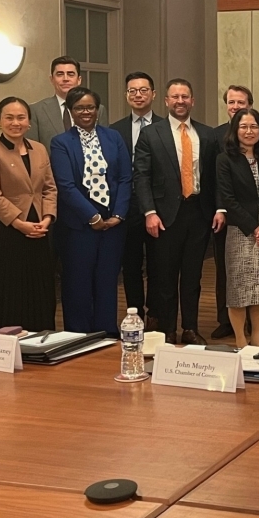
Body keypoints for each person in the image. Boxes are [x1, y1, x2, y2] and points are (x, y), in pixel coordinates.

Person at [134, 79, 224, 345]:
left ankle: (191, 328)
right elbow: (141, 176)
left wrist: (219, 208)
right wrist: (149, 212)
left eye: (185, 96)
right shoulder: (151, 134)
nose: (180, 101)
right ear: (166, 101)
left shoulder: (207, 135)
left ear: (192, 101)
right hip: (164, 216)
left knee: (193, 276)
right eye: (175, 97)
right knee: (164, 276)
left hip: (198, 213)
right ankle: (168, 329)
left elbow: (215, 178)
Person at [50, 87, 132, 335]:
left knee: (107, 280)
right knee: (78, 281)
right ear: (71, 111)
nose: (85, 112)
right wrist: (92, 216)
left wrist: (118, 214)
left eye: (90, 107)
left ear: (98, 110)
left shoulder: (113, 137)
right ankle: (79, 333)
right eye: (79, 108)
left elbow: (125, 178)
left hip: (113, 221)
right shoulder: (61, 142)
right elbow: (65, 185)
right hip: (79, 223)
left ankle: (106, 331)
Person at [0, 97, 57, 331]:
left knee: (38, 285)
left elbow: (50, 188)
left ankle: (40, 334)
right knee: (9, 287)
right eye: (9, 117)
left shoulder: (39, 149)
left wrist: (47, 219)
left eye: (21, 117)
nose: (15, 122)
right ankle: (7, 339)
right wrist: (20, 223)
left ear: (29, 121)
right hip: (5, 229)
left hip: (39, 227)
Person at [216, 109, 259, 348]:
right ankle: (240, 340)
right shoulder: (225, 159)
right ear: (235, 131)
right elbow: (228, 199)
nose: (249, 131)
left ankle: (256, 338)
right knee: (239, 289)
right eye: (244, 127)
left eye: (254, 126)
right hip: (240, 232)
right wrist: (254, 227)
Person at [110, 72, 163, 321]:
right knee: (130, 264)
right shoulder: (114, 131)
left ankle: (154, 312)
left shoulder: (166, 127)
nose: (138, 95)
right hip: (127, 205)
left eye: (143, 90)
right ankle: (135, 312)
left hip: (160, 206)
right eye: (132, 91)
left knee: (157, 263)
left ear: (153, 94)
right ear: (126, 96)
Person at [211, 85, 254, 340]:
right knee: (224, 269)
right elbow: (214, 178)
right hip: (224, 214)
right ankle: (225, 320)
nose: (235, 106)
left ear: (249, 104)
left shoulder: (258, 134)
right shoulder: (214, 136)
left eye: (241, 102)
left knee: (252, 269)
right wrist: (220, 207)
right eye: (231, 102)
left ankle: (252, 321)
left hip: (253, 215)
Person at [29, 56, 108, 148]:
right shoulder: (36, 110)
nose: (65, 79)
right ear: (52, 79)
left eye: (71, 74)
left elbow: (105, 145)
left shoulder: (98, 109)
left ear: (79, 80)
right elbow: (33, 150)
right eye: (60, 74)